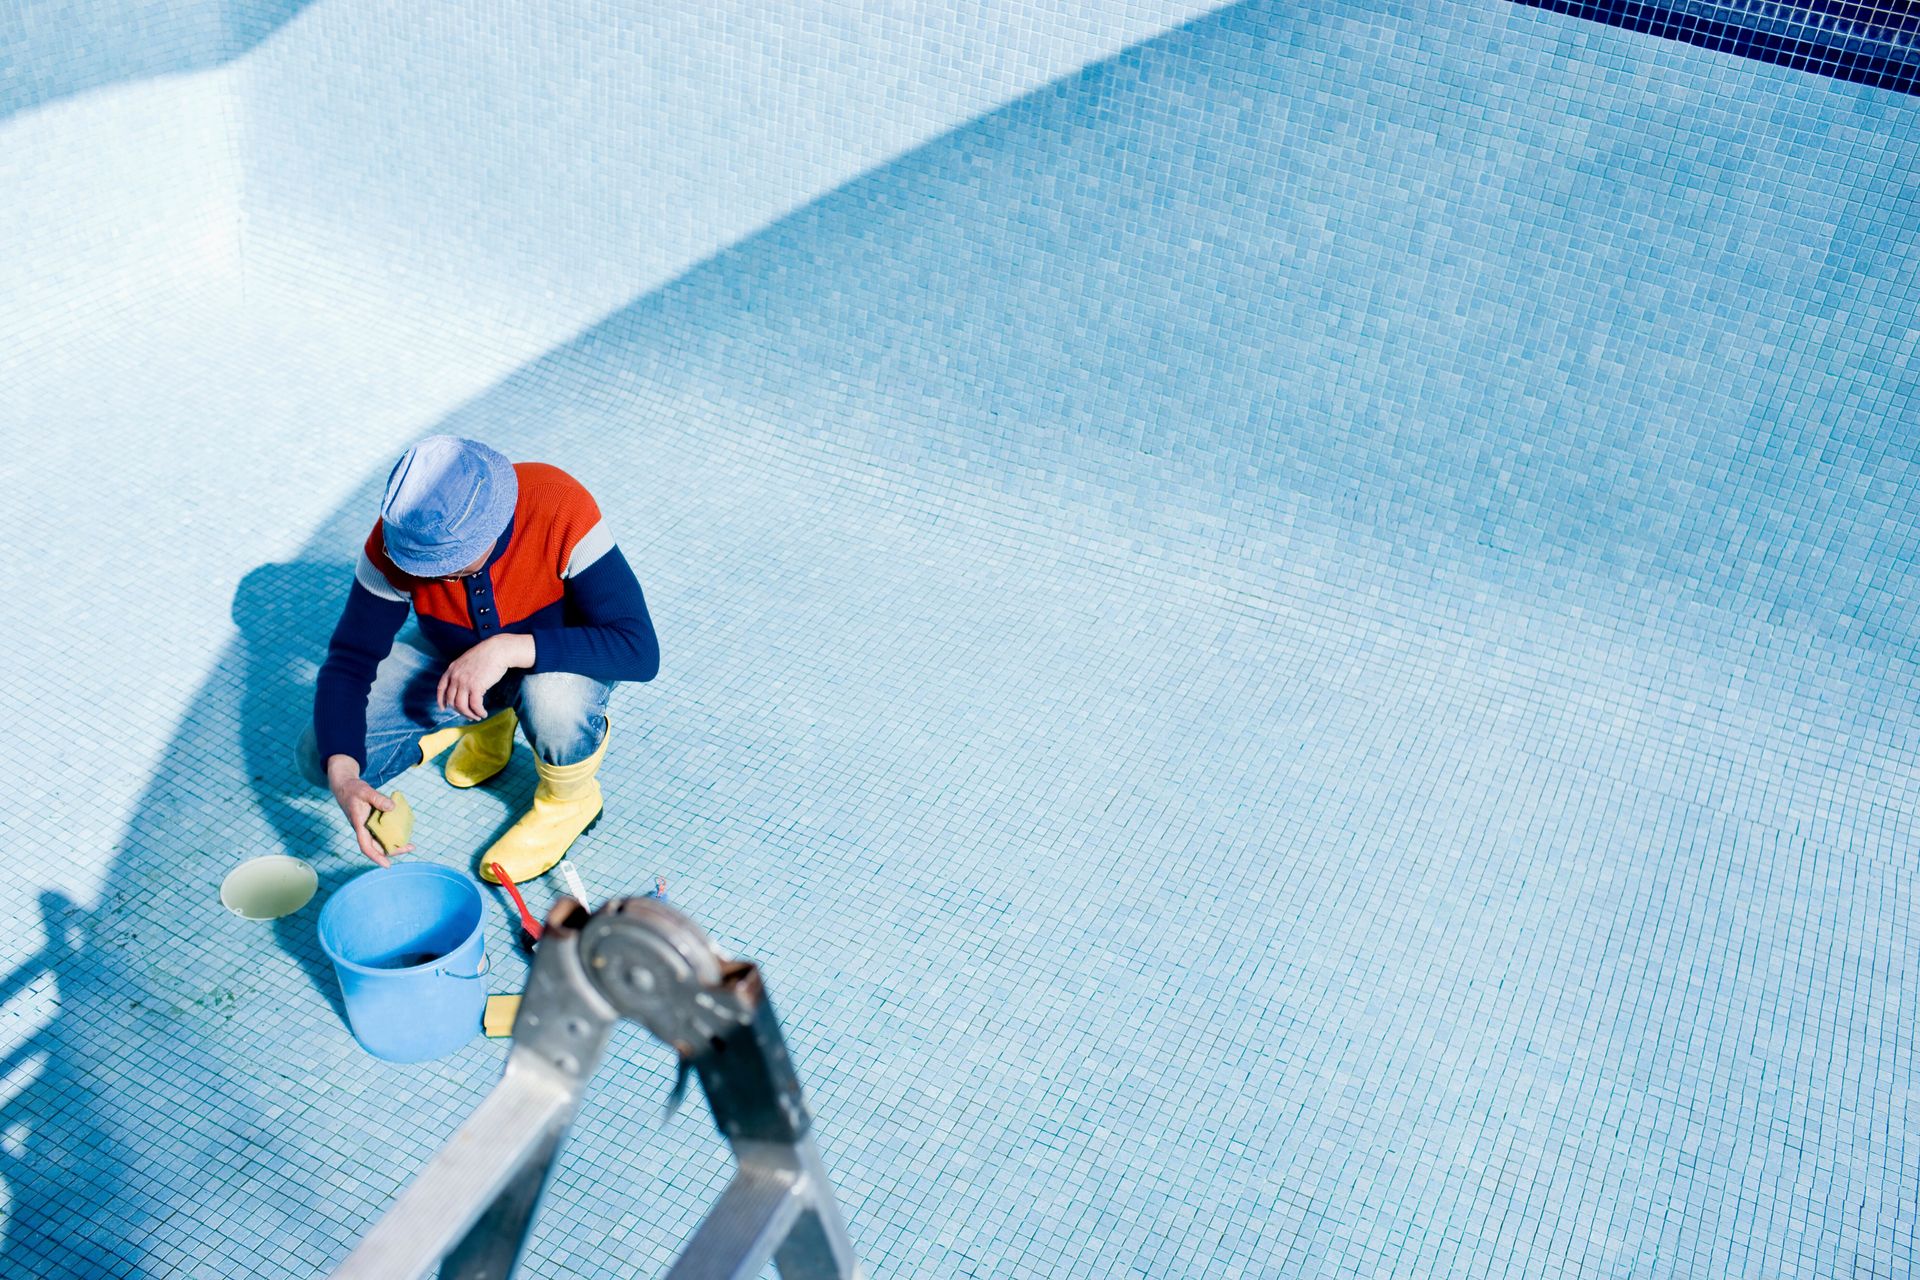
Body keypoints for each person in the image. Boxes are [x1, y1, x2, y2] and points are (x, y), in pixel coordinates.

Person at [298, 436, 659, 881]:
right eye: (424, 565)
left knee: (552, 698)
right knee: (322, 754)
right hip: (454, 655)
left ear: (495, 523)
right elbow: (351, 659)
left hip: (561, 656)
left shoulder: (559, 504)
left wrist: (506, 649)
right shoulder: (399, 542)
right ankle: (489, 716)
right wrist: (346, 776)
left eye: (449, 562)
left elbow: (638, 648)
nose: (434, 576)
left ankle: (571, 803)